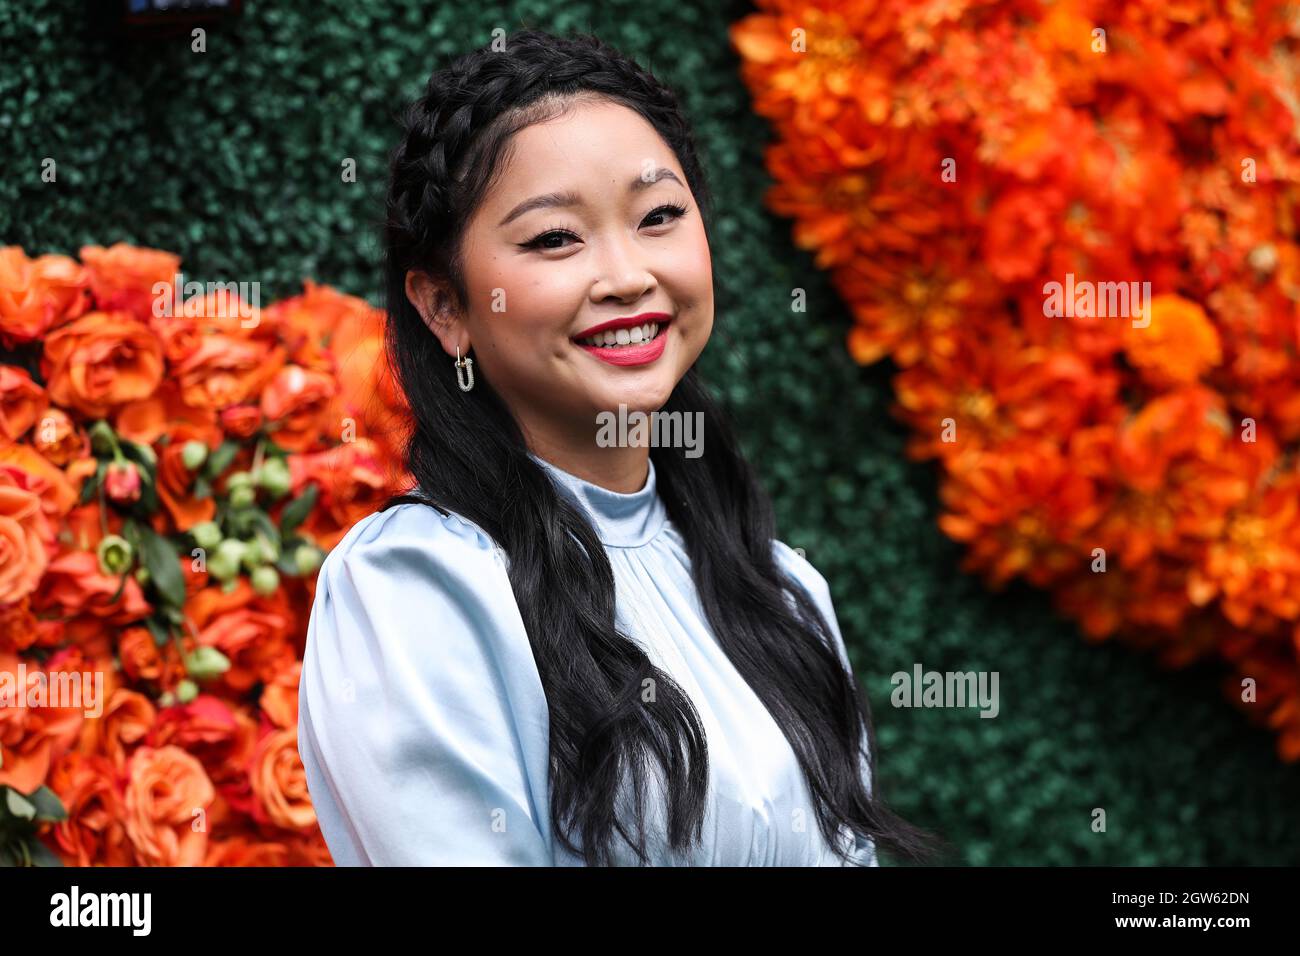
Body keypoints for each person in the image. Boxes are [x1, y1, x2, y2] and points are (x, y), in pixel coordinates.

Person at [297, 27, 941, 867]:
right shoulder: (420, 587)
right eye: (555, 238)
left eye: (659, 217)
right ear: (444, 305)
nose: (628, 274)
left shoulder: (783, 590)